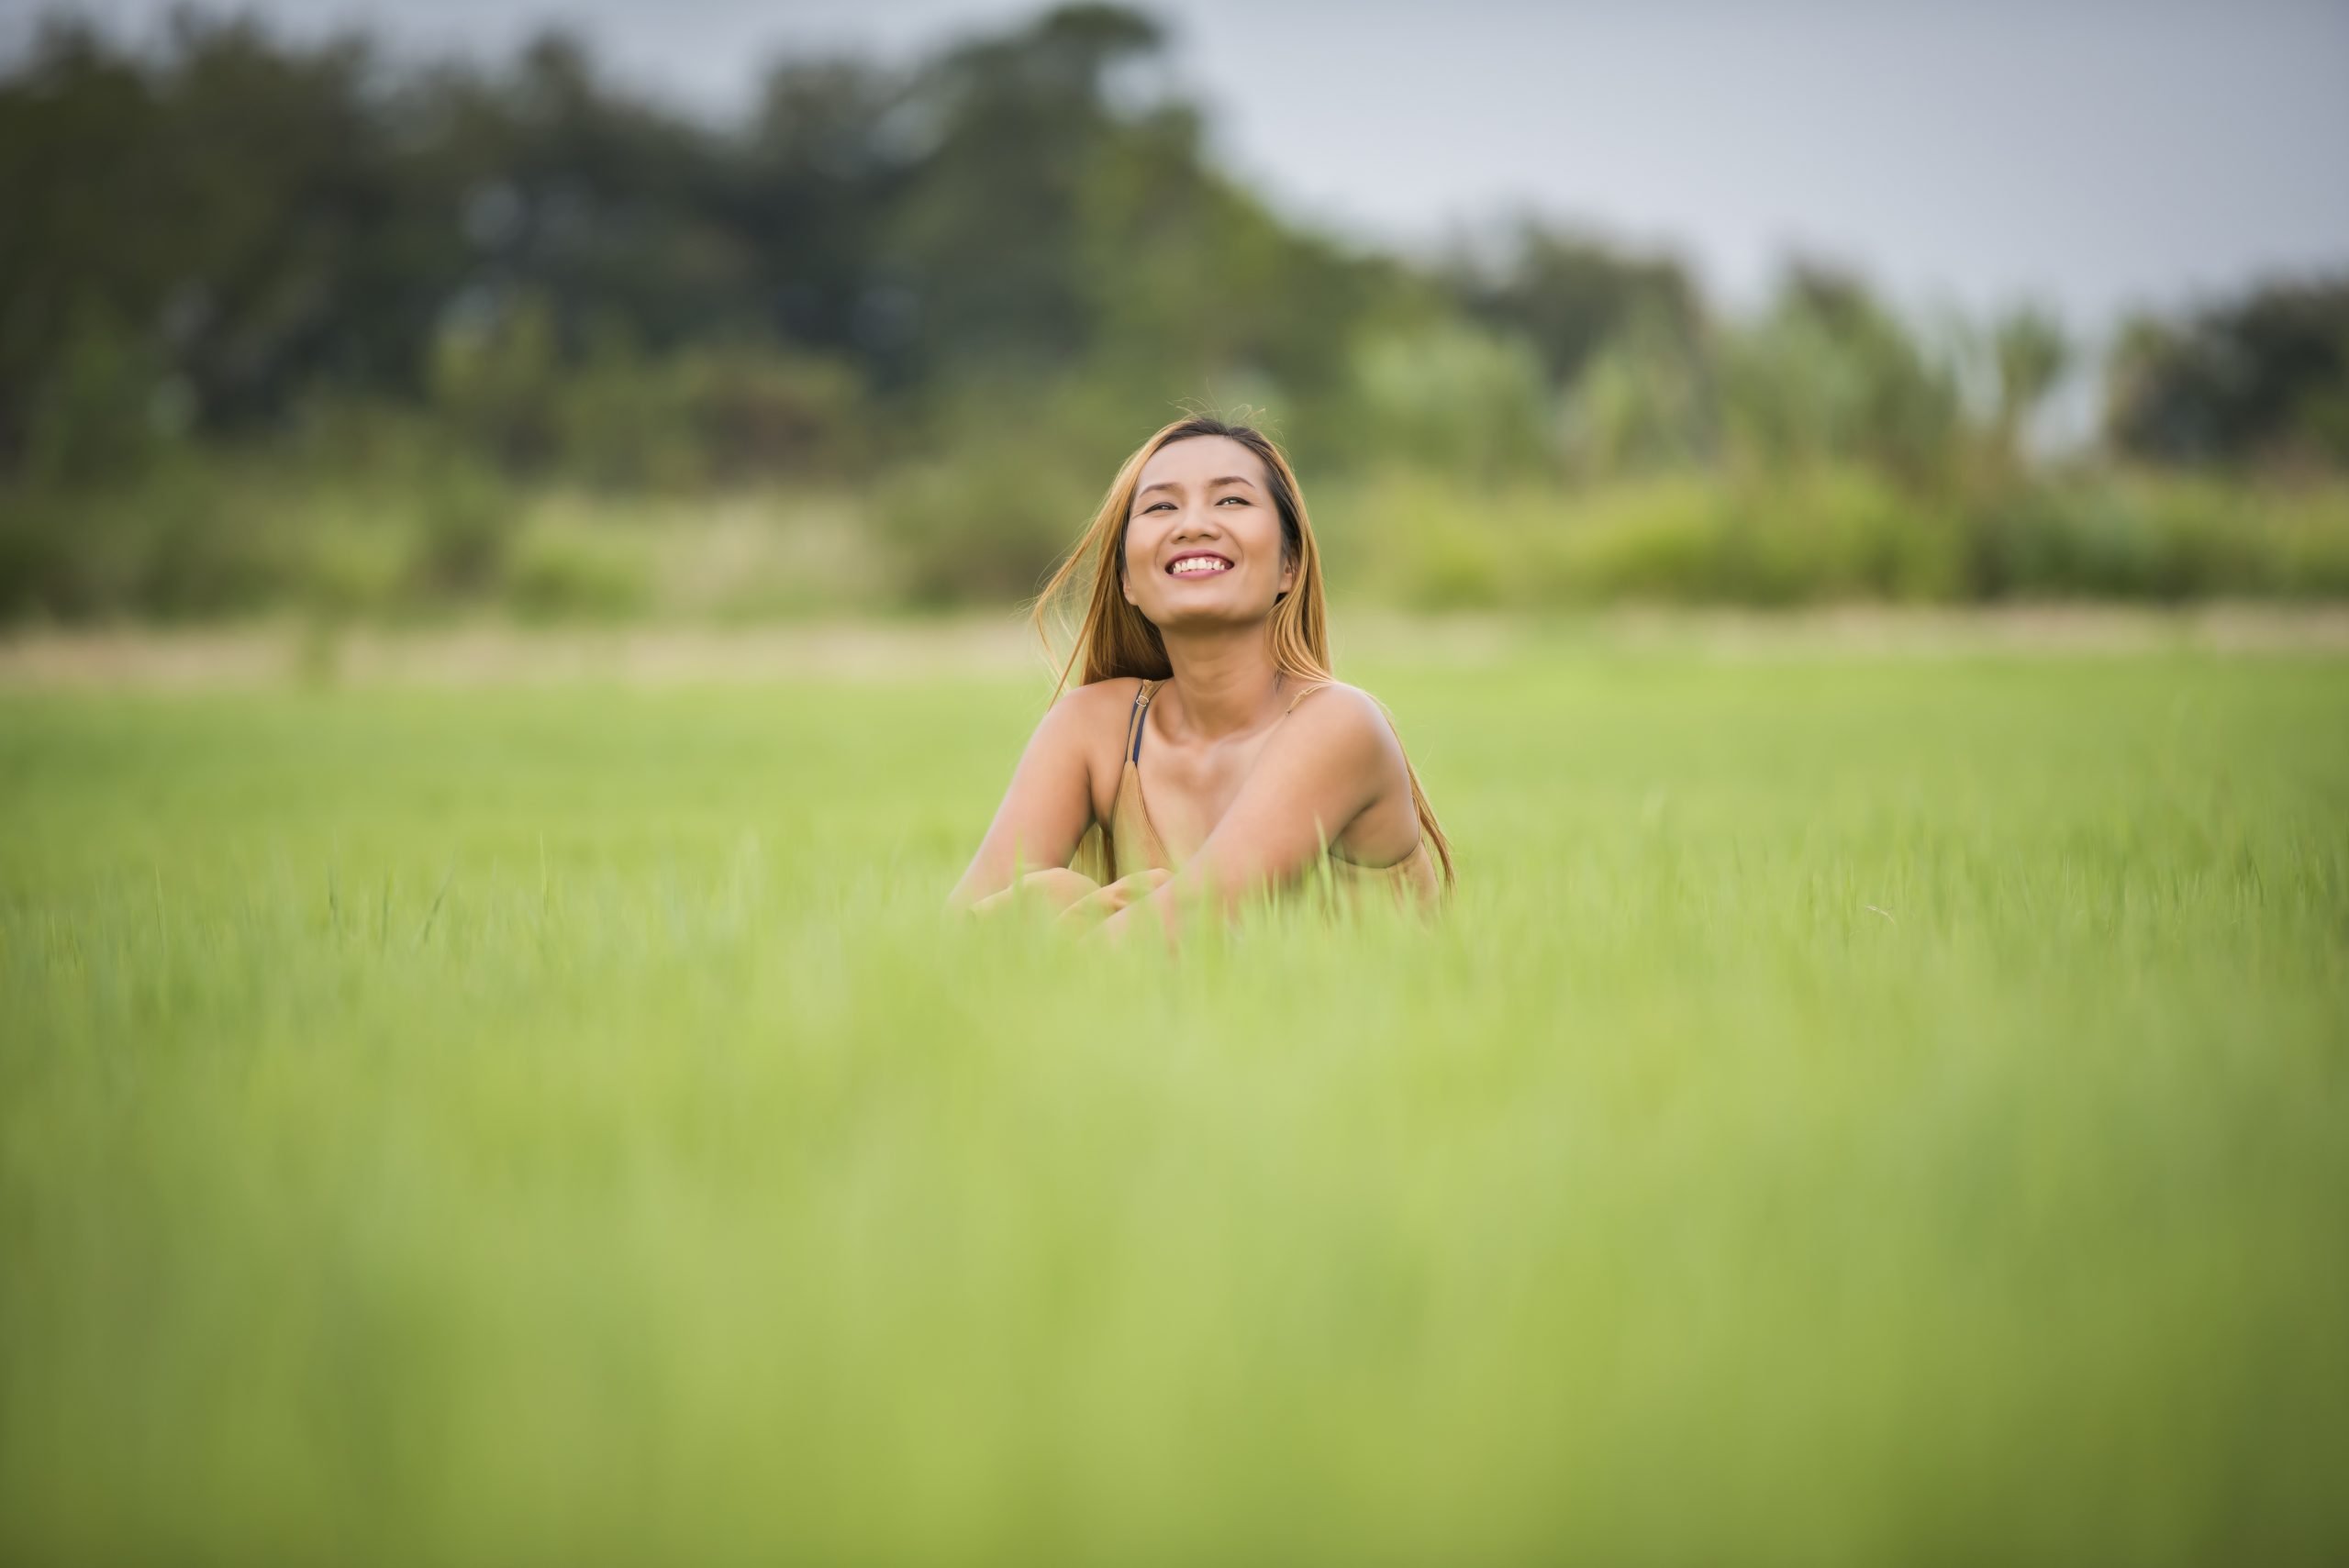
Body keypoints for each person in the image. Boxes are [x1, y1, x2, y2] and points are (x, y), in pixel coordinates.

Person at [948, 415, 1453, 941]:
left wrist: (1076, 915)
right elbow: (951, 939)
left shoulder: (1340, 724)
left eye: (1231, 500)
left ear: (1290, 565)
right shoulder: (1092, 727)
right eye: (1161, 506)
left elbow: (1183, 926)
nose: (1192, 524)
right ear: (1127, 580)